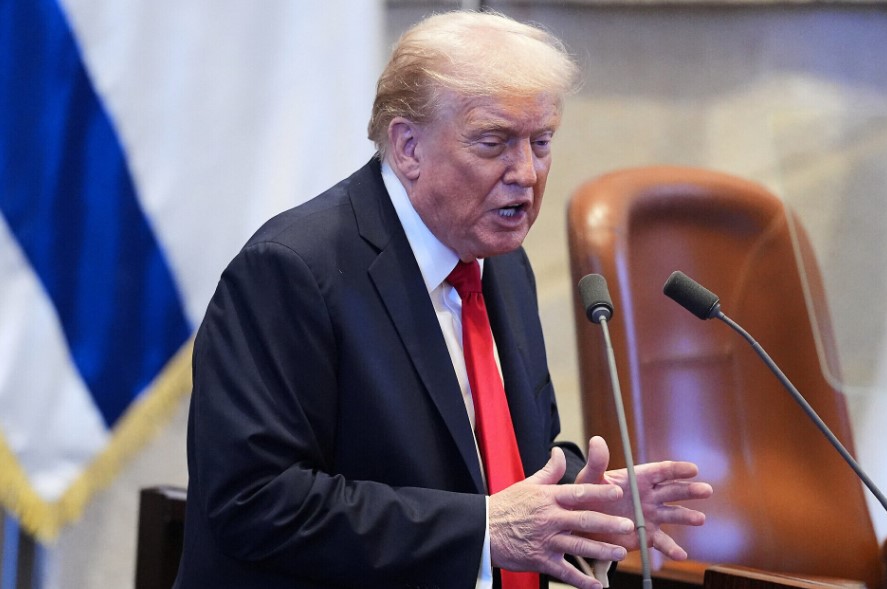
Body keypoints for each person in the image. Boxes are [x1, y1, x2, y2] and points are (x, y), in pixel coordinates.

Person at [173, 10, 712, 589]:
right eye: (494, 142)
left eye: (541, 141)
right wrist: (482, 532)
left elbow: (497, 457)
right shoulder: (290, 272)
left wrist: (581, 501)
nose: (526, 174)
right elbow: (256, 502)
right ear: (408, 147)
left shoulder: (502, 266)